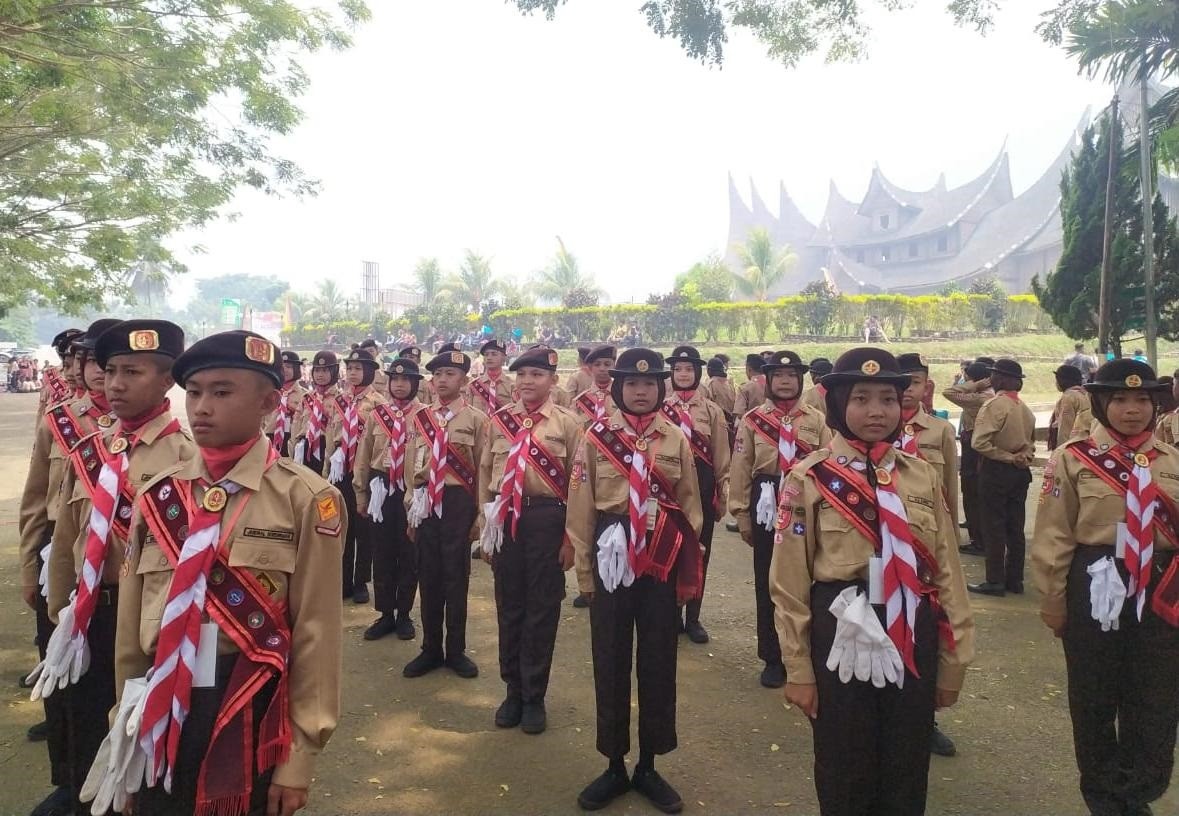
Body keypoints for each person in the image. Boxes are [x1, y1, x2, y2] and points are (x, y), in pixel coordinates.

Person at [82, 329, 344, 816]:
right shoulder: (158, 496)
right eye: (195, 392)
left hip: (247, 703)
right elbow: (130, 634)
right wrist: (125, 726)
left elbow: (317, 631)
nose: (202, 407)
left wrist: (299, 759)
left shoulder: (305, 499)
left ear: (268, 402)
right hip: (160, 702)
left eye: (222, 392)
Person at [772, 347, 973, 816]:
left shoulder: (921, 476)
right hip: (840, 626)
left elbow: (947, 573)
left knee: (907, 761)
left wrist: (954, 660)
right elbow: (788, 584)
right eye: (861, 398)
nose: (876, 411)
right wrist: (799, 668)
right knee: (844, 761)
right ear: (839, 404)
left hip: (910, 624)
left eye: (887, 398)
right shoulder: (807, 478)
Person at [34, 319, 194, 816]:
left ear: (168, 381)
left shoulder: (190, 462)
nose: (116, 383)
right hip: (85, 617)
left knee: (131, 727)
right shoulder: (91, 451)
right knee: (81, 715)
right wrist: (58, 611)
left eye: (133, 372)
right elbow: (65, 541)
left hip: (141, 627)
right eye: (111, 370)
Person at [1032, 358, 1179, 816]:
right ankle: (1103, 795)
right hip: (1096, 581)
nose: (1131, 409)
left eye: (1142, 399)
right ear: (1100, 402)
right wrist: (1054, 600)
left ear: (1156, 404)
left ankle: (1138, 790)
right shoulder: (1071, 460)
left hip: (1162, 585)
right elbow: (1054, 536)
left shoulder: (1174, 461)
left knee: (1155, 695)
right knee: (1094, 695)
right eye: (1119, 398)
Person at [567, 347, 703, 814]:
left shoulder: (675, 439)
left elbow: (690, 506)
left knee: (659, 656)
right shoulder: (596, 436)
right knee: (609, 655)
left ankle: (649, 763)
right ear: (619, 389)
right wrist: (585, 570)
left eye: (649, 384)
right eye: (631, 384)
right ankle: (613, 763)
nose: (641, 391)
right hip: (611, 550)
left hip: (660, 555)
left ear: (661, 388)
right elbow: (581, 508)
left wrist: (684, 564)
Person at [18, 323, 109, 816]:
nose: (96, 373)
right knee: (60, 673)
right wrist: (30, 567)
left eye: (108, 364)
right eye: (91, 362)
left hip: (114, 569)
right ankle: (67, 778)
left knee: (105, 679)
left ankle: (103, 781)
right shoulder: (61, 421)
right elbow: (35, 502)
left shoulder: (153, 436)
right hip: (62, 560)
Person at [477, 346, 583, 734]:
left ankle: (535, 695)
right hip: (506, 519)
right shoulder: (498, 422)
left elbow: (577, 484)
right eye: (521, 376)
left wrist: (571, 538)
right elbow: (485, 474)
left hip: (547, 519)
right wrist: (486, 528)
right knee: (509, 605)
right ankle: (513, 690)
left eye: (537, 375)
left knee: (542, 608)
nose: (527, 382)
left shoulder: (568, 425)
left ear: (553, 381)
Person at [729, 351, 831, 688]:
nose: (785, 381)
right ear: (769, 381)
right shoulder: (753, 421)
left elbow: (829, 466)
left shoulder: (816, 420)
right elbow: (741, 468)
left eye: (791, 376)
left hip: (806, 500)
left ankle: (805, 653)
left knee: (809, 578)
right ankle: (772, 657)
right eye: (778, 376)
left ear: (800, 380)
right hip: (766, 501)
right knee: (769, 580)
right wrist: (742, 513)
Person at [402, 349, 486, 679]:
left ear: (464, 380)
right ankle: (431, 648)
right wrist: (411, 507)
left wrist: (479, 516)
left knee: (456, 578)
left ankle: (456, 650)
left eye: (450, 374)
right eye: (437, 375)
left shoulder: (477, 420)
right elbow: (412, 465)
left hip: (458, 502)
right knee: (429, 575)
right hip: (426, 501)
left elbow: (483, 470)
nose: (442, 380)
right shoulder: (420, 419)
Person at [895, 352, 961, 758]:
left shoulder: (939, 431)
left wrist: (950, 541)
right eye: (898, 383)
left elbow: (949, 491)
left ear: (926, 386)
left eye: (914, 382)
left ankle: (926, 719)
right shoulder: (869, 431)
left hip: (926, 554)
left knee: (930, 634)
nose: (906, 391)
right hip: (883, 552)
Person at [354, 358, 426, 642]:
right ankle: (385, 613)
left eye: (405, 380)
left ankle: (405, 613)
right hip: (380, 487)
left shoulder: (426, 416)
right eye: (395, 380)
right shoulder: (377, 415)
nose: (399, 385)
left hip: (411, 490)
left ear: (415, 383)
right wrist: (361, 494)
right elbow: (363, 456)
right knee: (382, 552)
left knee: (409, 553)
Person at [663, 346, 731, 644]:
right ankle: (670, 615)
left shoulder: (712, 411)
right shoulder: (661, 408)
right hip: (667, 489)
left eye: (689, 369)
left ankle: (693, 617)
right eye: (678, 369)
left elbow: (721, 455)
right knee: (668, 549)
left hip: (702, 490)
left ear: (697, 373)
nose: (683, 374)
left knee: (700, 552)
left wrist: (722, 490)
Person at [969, 359, 1036, 597]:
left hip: (996, 470)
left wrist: (1007, 457)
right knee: (1015, 527)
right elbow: (1030, 445)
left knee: (993, 526)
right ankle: (1014, 580)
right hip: (1020, 472)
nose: (993, 379)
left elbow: (980, 443)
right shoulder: (1025, 410)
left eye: (996, 376)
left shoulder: (995, 405)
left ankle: (995, 579)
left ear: (1006, 380)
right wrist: (1020, 457)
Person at [324, 350, 386, 605]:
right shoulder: (339, 401)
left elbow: (381, 442)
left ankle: (361, 581)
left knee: (365, 530)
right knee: (343, 528)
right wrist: (326, 469)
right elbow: (331, 434)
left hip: (365, 469)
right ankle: (344, 581)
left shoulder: (379, 403)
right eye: (349, 368)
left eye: (358, 368)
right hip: (340, 468)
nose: (352, 373)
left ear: (370, 372)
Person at [942, 361, 994, 556]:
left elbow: (948, 392)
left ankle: (978, 540)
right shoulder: (995, 394)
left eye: (968, 378)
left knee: (972, 493)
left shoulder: (980, 396)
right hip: (984, 446)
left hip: (974, 445)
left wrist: (976, 384)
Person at [291, 350, 342, 475]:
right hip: (306, 446)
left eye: (325, 371)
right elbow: (296, 426)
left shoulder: (341, 399)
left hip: (328, 449)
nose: (320, 375)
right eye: (317, 370)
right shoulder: (307, 397)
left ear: (334, 371)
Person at [264, 351, 308, 457]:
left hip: (292, 439)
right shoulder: (269, 392)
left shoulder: (305, 395)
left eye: (289, 366)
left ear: (297, 369)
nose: (284, 370)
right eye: (281, 366)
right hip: (270, 436)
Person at [1048, 364, 1091, 451]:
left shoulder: (1069, 397)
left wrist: (1061, 451)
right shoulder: (1085, 394)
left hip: (1073, 445)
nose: (1056, 383)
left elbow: (1065, 428)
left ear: (1062, 381)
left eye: (1057, 380)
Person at [467, 338, 515, 414]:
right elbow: (468, 413)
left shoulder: (512, 385)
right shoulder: (474, 385)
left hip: (501, 425)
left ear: (504, 359)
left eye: (494, 354)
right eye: (486, 355)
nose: (489, 358)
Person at [574, 345, 618, 425]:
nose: (602, 368)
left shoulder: (622, 398)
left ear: (614, 367)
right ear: (590, 368)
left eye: (607, 364)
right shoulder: (581, 400)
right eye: (597, 364)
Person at [733, 353, 767, 418]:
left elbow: (740, 413)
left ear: (749, 369)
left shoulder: (744, 388)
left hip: (753, 425)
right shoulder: (773, 384)